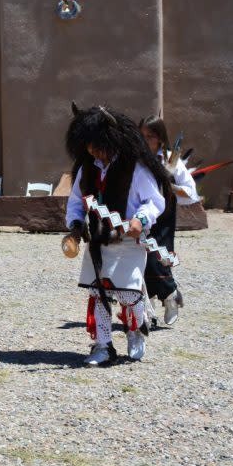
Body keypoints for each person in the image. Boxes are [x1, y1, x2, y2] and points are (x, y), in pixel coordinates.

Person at [63, 104, 170, 366]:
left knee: (128, 294)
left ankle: (136, 330)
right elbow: (76, 201)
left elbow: (155, 201)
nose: (92, 150)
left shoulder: (136, 168)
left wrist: (140, 219)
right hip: (98, 241)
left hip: (129, 242)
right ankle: (103, 346)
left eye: (96, 144)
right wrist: (75, 226)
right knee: (98, 293)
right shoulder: (87, 169)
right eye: (88, 145)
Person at [140, 115, 196, 325]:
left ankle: (171, 295)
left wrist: (169, 185)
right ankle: (148, 310)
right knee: (141, 261)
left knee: (157, 259)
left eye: (150, 136)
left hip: (163, 218)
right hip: (140, 215)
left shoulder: (171, 160)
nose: (146, 140)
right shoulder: (136, 159)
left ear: (160, 138)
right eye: (142, 136)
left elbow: (190, 192)